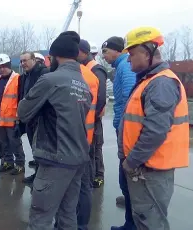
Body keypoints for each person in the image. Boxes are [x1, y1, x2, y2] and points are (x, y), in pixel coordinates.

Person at [18, 31, 92, 230]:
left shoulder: (51, 79)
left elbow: (23, 111)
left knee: (41, 215)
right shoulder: (83, 84)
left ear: (55, 56)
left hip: (55, 158)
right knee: (68, 215)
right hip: (78, 157)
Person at [120, 26, 189, 230]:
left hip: (151, 169)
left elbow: (155, 131)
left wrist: (131, 161)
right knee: (144, 219)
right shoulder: (149, 81)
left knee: (151, 222)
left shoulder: (161, 84)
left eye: (132, 54)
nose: (128, 59)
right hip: (146, 166)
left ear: (147, 51)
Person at [102, 36, 137, 230]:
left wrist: (123, 128)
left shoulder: (125, 67)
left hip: (126, 130)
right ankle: (130, 217)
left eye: (105, 52)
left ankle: (131, 224)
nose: (104, 56)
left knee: (127, 173)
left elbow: (130, 100)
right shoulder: (122, 66)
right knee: (125, 174)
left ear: (116, 50)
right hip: (123, 128)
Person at [0, 53, 26, 175]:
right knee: (3, 143)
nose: (2, 68)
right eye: (0, 66)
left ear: (9, 65)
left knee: (15, 143)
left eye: (4, 66)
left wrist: (19, 117)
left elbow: (21, 98)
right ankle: (8, 162)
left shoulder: (18, 79)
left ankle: (20, 164)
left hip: (12, 118)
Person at [79, 39, 108, 189]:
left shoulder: (96, 69)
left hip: (93, 118)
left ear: (83, 52)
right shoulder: (84, 68)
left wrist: (94, 115)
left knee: (96, 147)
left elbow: (101, 97)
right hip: (87, 118)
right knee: (90, 148)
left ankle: (98, 175)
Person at [17, 51, 49, 184]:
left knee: (40, 149)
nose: (23, 63)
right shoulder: (25, 76)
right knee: (34, 147)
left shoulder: (43, 74)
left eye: (25, 60)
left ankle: (41, 177)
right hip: (29, 118)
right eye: (21, 61)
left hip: (40, 118)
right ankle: (37, 174)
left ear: (34, 60)